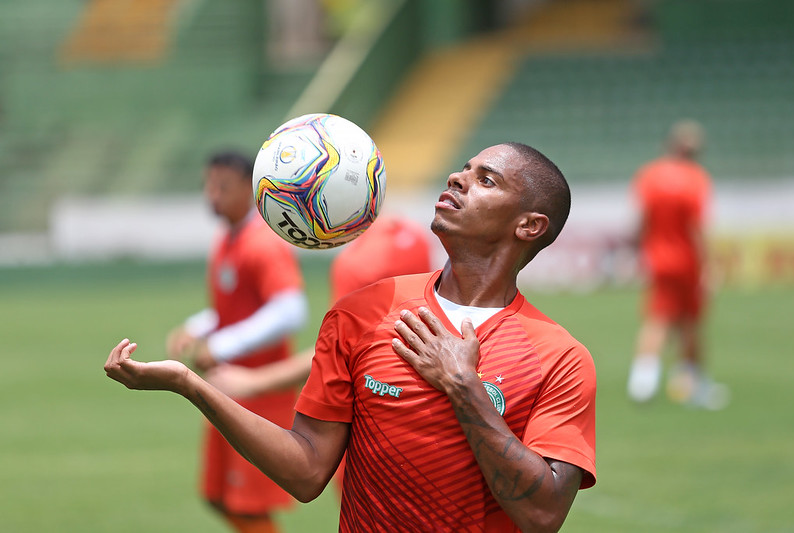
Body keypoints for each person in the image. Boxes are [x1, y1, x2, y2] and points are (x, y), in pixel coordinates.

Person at [106, 142, 597, 532]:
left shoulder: (560, 358)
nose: (457, 178)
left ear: (529, 225)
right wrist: (190, 384)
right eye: (464, 169)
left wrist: (464, 388)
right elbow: (306, 471)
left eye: (485, 179)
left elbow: (542, 516)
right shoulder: (361, 313)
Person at [165, 150, 308, 533]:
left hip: (260, 395)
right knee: (217, 497)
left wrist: (225, 344)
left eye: (223, 186)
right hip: (227, 391)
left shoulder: (263, 243)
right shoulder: (228, 237)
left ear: (250, 188)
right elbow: (239, 306)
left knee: (246, 506)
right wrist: (199, 326)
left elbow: (290, 310)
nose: (212, 194)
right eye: (208, 186)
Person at [204, 214, 434, 399]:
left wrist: (254, 382)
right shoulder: (409, 232)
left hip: (379, 400)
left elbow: (337, 352)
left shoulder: (357, 263)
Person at [626, 120, 729, 409]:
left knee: (658, 317)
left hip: (658, 259)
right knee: (690, 324)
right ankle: (691, 382)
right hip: (687, 262)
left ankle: (643, 381)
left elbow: (641, 220)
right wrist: (709, 265)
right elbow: (698, 227)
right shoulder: (696, 179)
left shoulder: (649, 175)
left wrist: (636, 250)